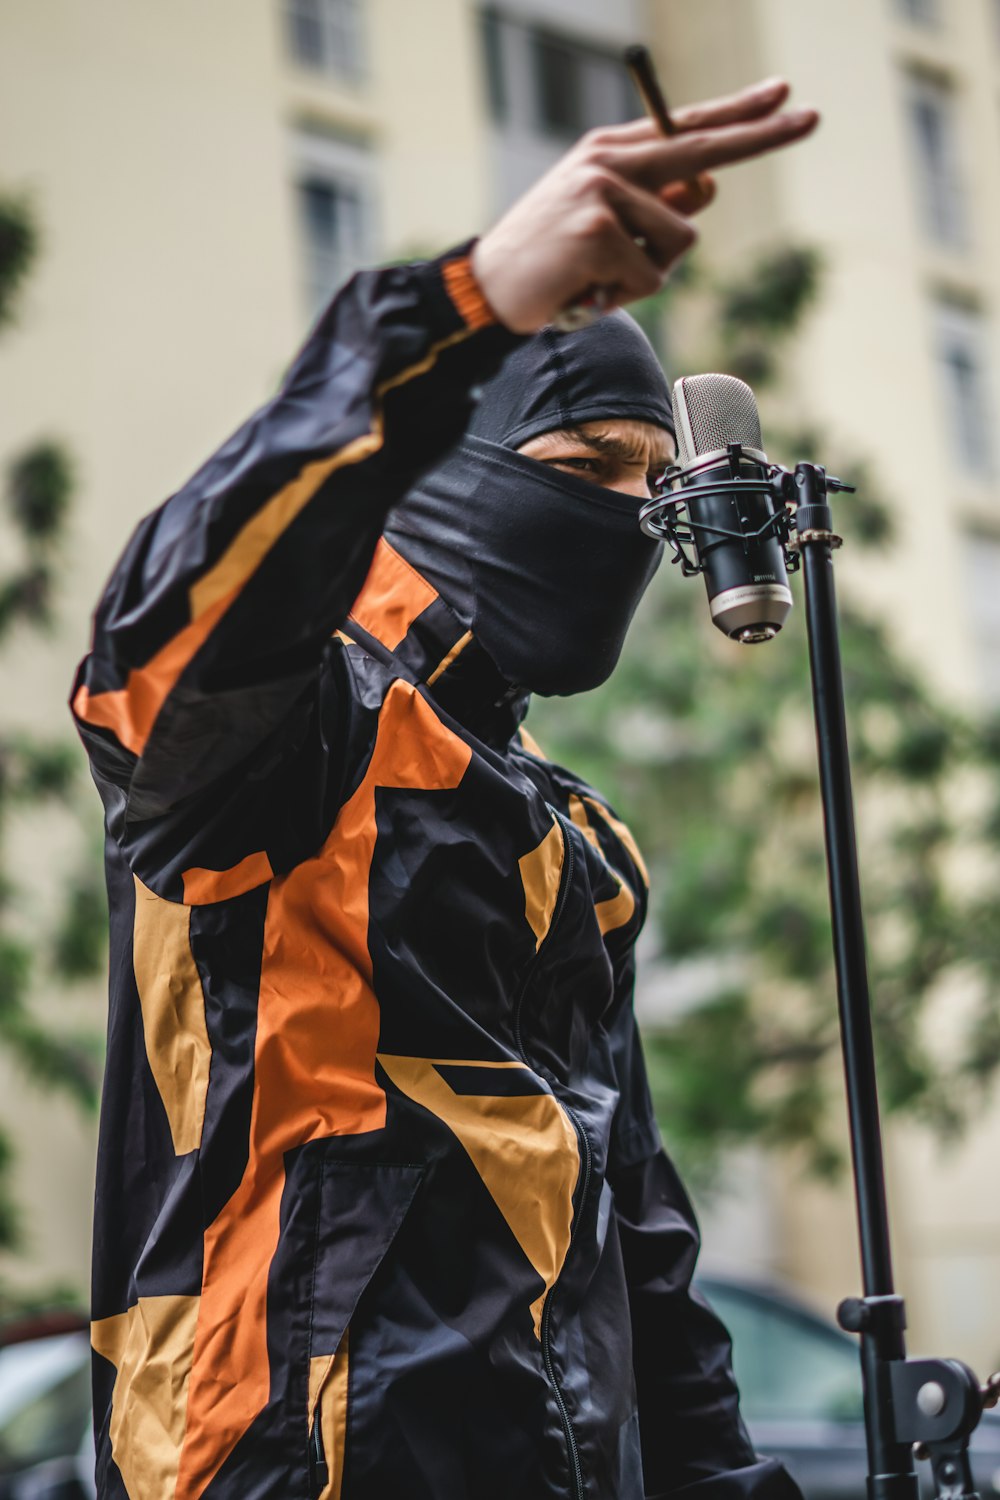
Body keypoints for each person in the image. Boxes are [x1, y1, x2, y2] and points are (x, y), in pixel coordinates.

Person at [72, 80, 818, 1500]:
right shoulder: (286, 740)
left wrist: (721, 1480)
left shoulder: (578, 840)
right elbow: (173, 623)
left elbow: (638, 1247)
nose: (622, 518)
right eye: (585, 466)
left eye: (647, 488)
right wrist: (468, 303)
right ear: (450, 472)